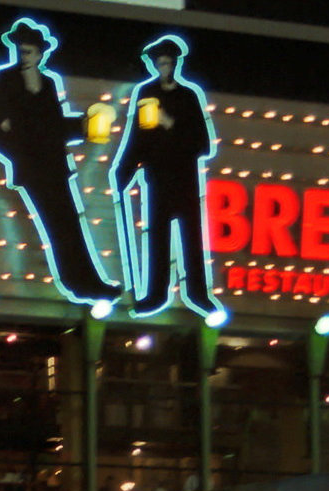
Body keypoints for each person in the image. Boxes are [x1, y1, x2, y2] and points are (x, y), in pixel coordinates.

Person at [0, 19, 118, 304]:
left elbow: (53, 126)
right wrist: (16, 151)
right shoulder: (5, 79)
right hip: (31, 168)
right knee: (57, 226)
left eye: (28, 51)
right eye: (20, 50)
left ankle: (89, 282)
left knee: (70, 225)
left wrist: (84, 126)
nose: (23, 56)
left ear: (40, 53)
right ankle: (78, 284)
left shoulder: (49, 82)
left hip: (55, 165)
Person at [111, 36, 221, 320]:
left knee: (191, 236)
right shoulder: (146, 93)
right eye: (159, 63)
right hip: (157, 179)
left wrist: (169, 123)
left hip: (185, 179)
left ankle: (197, 292)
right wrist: (124, 169)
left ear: (175, 64)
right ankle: (155, 294)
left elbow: (203, 144)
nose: (164, 68)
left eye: (168, 63)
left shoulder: (188, 96)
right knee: (157, 238)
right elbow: (137, 137)